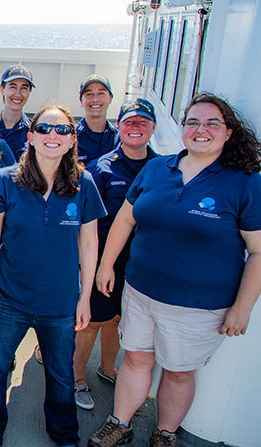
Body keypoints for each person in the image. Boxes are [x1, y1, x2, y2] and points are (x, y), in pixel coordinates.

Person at [88, 93, 261, 447]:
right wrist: (106, 265)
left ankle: (165, 433)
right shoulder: (156, 168)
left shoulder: (244, 183)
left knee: (179, 373)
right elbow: (125, 219)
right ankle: (119, 423)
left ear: (228, 133)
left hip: (198, 305)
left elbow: (258, 252)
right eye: (193, 122)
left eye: (212, 123)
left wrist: (243, 307)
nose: (201, 130)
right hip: (139, 292)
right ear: (182, 130)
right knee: (136, 360)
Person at [0, 104, 106, 447]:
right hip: (9, 299)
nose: (53, 136)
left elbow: (89, 243)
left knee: (61, 376)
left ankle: (64, 434)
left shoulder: (84, 183)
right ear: (30, 138)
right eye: (44, 129)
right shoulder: (6, 180)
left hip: (60, 304)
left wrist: (84, 297)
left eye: (62, 130)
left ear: (71, 140)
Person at [72, 98, 160, 411]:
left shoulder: (163, 168)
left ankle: (107, 368)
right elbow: (86, 223)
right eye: (129, 122)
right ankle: (77, 378)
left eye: (142, 122)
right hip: (104, 262)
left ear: (152, 127)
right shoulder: (100, 169)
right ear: (118, 127)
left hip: (141, 264)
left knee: (117, 320)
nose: (135, 128)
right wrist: (90, 267)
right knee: (92, 322)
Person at [76, 74, 119, 164]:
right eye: (89, 94)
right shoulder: (71, 137)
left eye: (101, 94)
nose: (95, 99)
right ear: (81, 101)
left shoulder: (120, 138)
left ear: (110, 98)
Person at [0, 64, 35, 161]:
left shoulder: (33, 131)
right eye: (13, 87)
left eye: (24, 88)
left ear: (29, 92)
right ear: (2, 89)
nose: (18, 94)